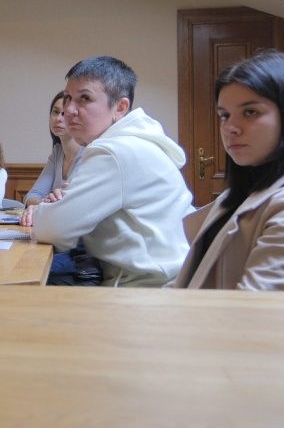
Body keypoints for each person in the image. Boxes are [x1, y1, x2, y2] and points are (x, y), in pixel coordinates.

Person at [172, 51, 284, 290]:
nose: (230, 127)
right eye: (224, 115)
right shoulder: (247, 189)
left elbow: (257, 306)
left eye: (250, 112)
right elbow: (190, 280)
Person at [32, 56, 192, 287]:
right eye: (68, 98)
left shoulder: (114, 152)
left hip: (147, 290)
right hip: (169, 278)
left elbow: (51, 229)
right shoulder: (134, 142)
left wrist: (46, 210)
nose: (69, 110)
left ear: (120, 107)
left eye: (84, 98)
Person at [20, 91, 83, 227]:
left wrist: (45, 206)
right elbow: (31, 195)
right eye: (55, 112)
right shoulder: (57, 152)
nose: (58, 119)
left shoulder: (89, 153)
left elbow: (74, 205)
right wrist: (46, 204)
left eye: (64, 114)